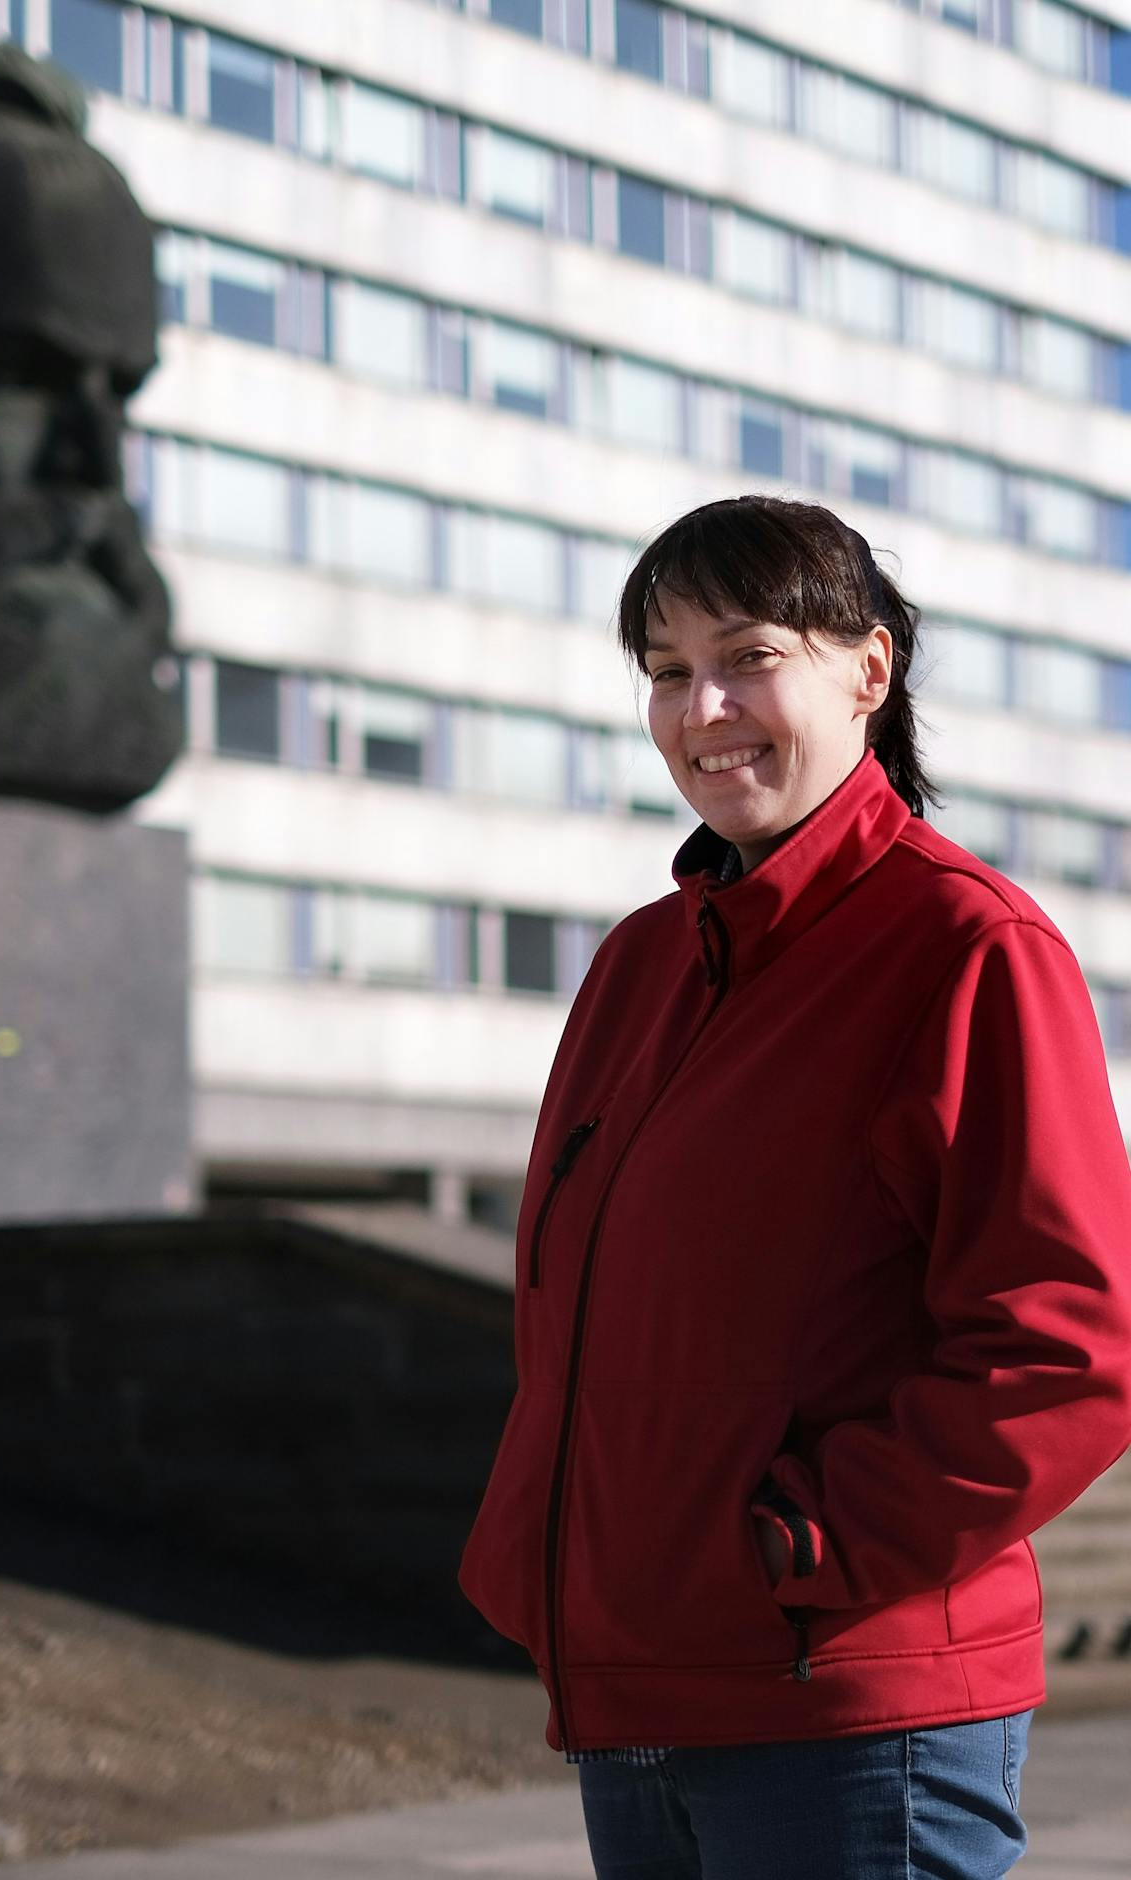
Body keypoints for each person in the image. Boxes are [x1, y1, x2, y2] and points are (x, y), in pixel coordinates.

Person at [458, 495, 1131, 1879]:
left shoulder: (966, 948)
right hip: (639, 1690)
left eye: (749, 655)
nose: (704, 707)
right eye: (663, 670)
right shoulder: (640, 965)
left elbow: (1071, 1347)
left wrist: (798, 1550)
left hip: (848, 1717)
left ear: (868, 674)